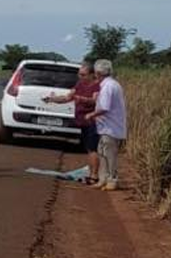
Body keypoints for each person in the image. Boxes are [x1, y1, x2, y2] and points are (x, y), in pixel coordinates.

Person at [42, 59, 101, 184]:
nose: (80, 77)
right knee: (89, 149)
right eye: (79, 74)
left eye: (83, 75)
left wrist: (80, 98)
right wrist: (52, 99)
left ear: (92, 74)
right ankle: (91, 174)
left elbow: (95, 101)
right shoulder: (79, 84)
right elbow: (67, 97)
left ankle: (94, 176)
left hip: (93, 121)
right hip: (82, 121)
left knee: (93, 149)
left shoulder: (97, 86)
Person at [84, 59, 126, 191]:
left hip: (111, 127)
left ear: (98, 73)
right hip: (107, 127)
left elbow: (105, 107)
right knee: (102, 152)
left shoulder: (108, 86)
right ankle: (104, 179)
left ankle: (112, 180)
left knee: (109, 154)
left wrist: (91, 115)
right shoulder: (111, 84)